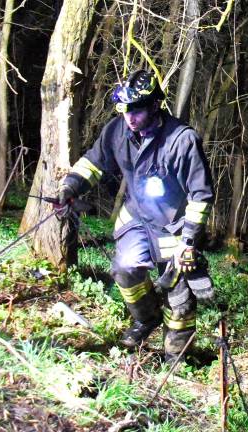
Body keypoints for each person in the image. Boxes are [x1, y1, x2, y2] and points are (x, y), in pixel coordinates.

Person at [58, 70, 215, 361]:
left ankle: (176, 359)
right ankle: (146, 317)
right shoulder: (118, 130)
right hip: (137, 218)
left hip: (174, 227)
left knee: (179, 297)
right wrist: (70, 187)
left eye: (136, 110)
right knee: (125, 269)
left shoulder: (182, 140)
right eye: (125, 109)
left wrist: (189, 242)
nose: (129, 117)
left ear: (155, 105)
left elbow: (201, 195)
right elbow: (93, 163)